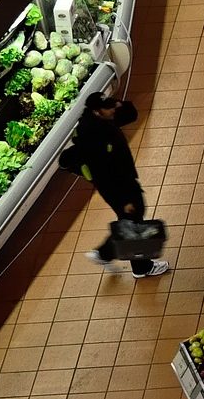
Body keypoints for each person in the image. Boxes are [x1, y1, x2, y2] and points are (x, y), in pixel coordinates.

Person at [70, 92, 169, 278]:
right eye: (109, 107)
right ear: (97, 111)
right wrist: (125, 200)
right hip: (119, 188)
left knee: (131, 220)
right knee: (133, 222)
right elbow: (106, 174)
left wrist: (117, 104)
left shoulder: (101, 122)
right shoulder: (94, 137)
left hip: (122, 183)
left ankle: (105, 253)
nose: (114, 109)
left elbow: (131, 113)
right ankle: (141, 267)